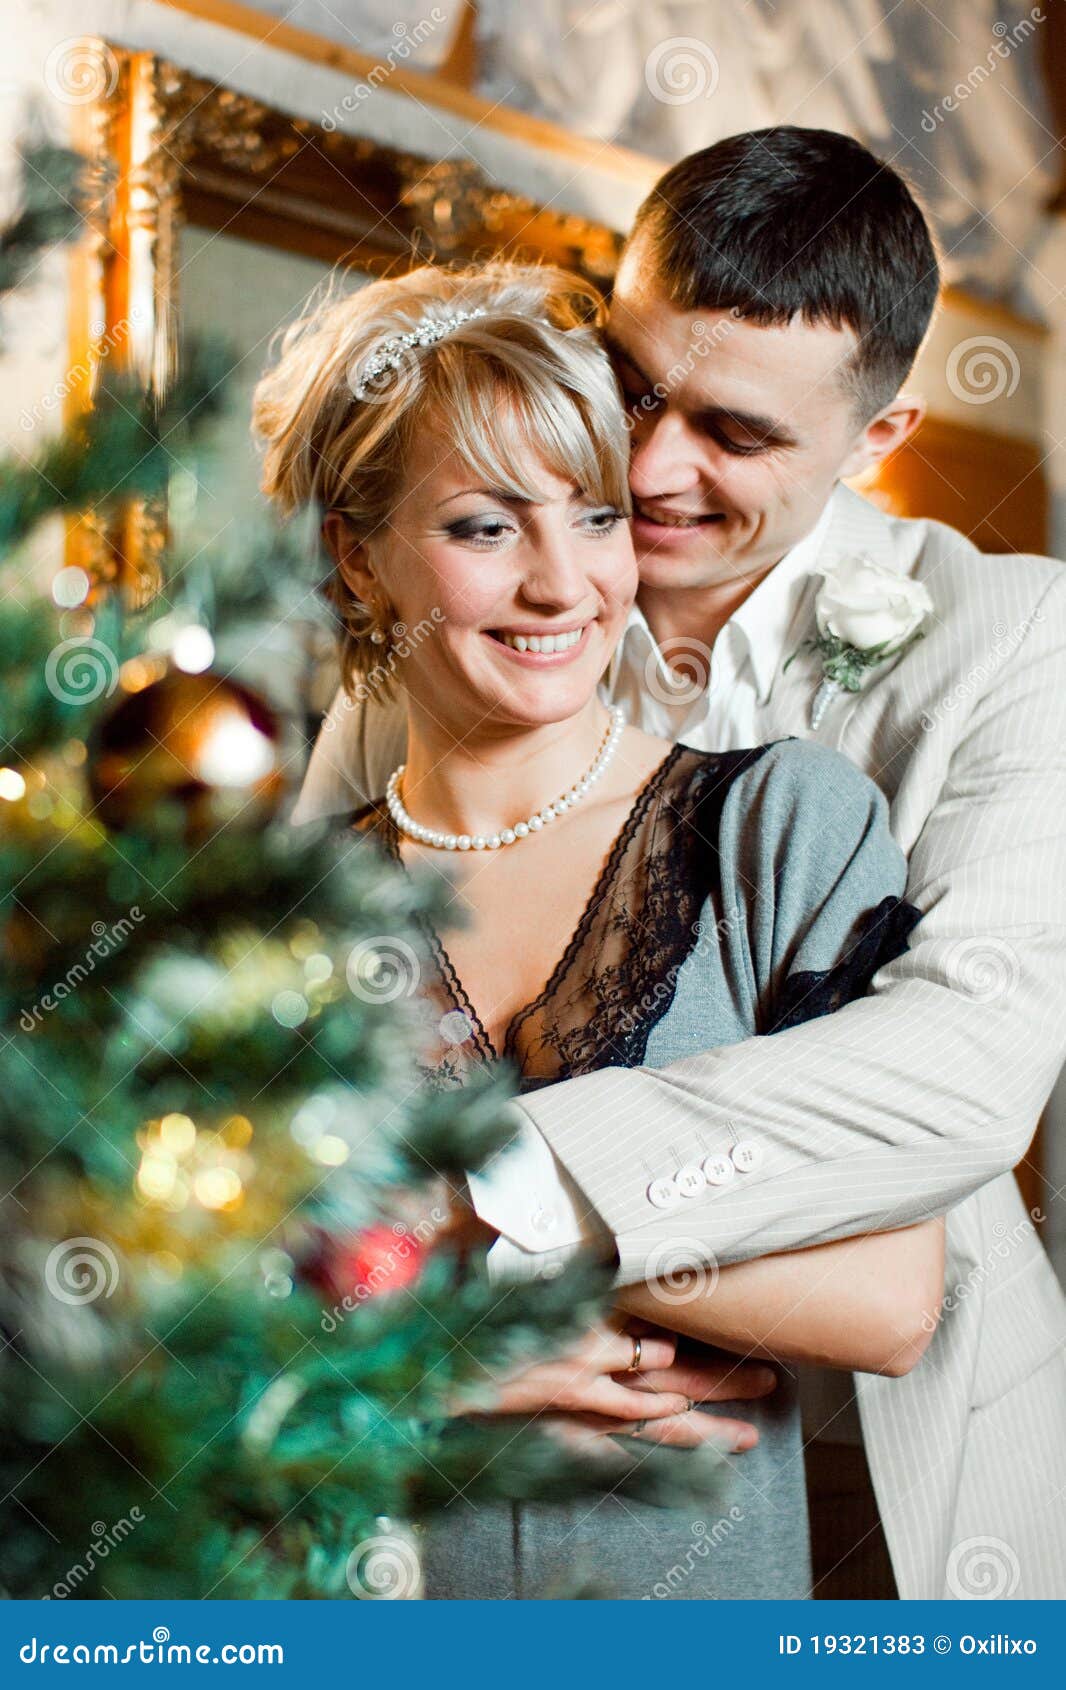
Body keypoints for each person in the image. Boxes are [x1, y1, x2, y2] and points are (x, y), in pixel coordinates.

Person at [292, 128, 1066, 1601]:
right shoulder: (450, 626)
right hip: (476, 1482)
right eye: (633, 385)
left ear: (875, 443)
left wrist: (475, 1222)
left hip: (891, 1448)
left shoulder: (1013, 637)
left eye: (735, 433)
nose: (649, 467)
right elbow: (302, 1007)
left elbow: (964, 1058)